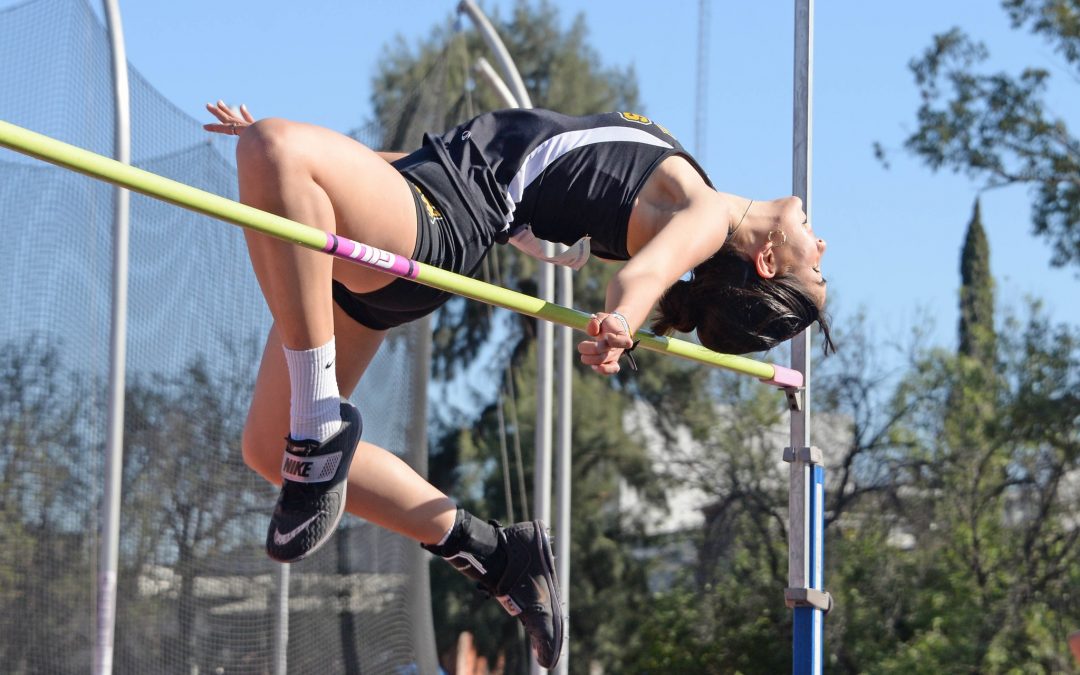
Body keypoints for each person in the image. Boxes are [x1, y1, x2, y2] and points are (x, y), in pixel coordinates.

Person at [203, 101, 832, 669]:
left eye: (819, 267)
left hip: (443, 218)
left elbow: (642, 277)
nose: (823, 244)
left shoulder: (705, 215)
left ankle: (319, 424)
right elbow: (484, 154)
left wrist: (621, 323)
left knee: (276, 149)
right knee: (267, 447)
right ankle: (496, 553)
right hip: (422, 195)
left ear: (769, 261)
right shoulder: (688, 201)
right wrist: (296, 163)